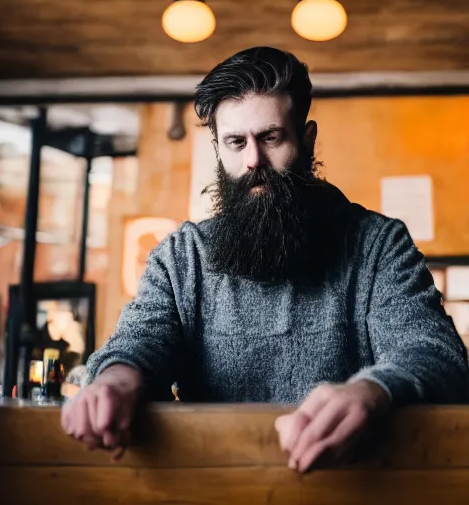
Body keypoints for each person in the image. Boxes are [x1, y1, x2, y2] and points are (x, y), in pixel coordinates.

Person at [62, 46, 469, 472]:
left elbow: (434, 353)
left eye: (271, 137)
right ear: (219, 148)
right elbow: (141, 341)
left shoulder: (379, 245)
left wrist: (374, 391)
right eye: (236, 142)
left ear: (307, 139)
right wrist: (117, 378)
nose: (253, 160)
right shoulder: (182, 257)